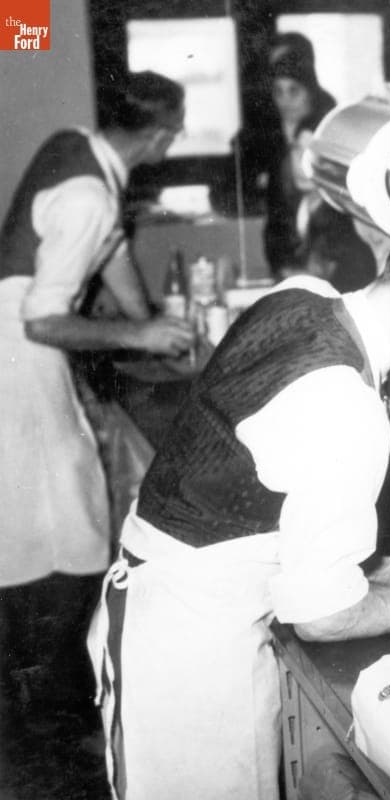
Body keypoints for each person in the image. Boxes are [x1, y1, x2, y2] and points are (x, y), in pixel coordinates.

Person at [87, 220, 390, 800]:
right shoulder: (339, 404)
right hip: (193, 646)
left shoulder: (310, 297)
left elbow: (377, 406)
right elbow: (323, 613)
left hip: (170, 596)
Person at [0, 72, 195, 729]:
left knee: (62, 503)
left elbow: (111, 256)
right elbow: (42, 319)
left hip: (23, 345)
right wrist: (139, 332)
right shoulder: (87, 192)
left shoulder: (80, 149)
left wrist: (156, 335)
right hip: (17, 352)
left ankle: (40, 681)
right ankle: (45, 697)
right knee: (59, 516)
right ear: (163, 135)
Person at [262, 44, 338, 276]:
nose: (285, 100)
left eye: (293, 91)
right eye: (278, 91)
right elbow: (276, 219)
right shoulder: (270, 129)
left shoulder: (323, 128)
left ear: (309, 92)